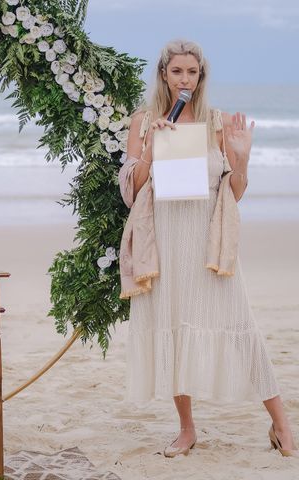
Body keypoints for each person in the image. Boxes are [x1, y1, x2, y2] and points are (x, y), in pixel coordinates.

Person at [118, 39, 297, 457]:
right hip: (165, 241)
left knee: (242, 328)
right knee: (177, 330)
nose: (185, 80)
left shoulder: (217, 122)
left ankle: (282, 425)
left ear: (201, 77)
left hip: (208, 243)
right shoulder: (143, 121)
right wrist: (149, 148)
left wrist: (242, 158)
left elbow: (234, 193)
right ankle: (186, 429)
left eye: (192, 73)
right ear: (164, 73)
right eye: (177, 71)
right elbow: (134, 191)